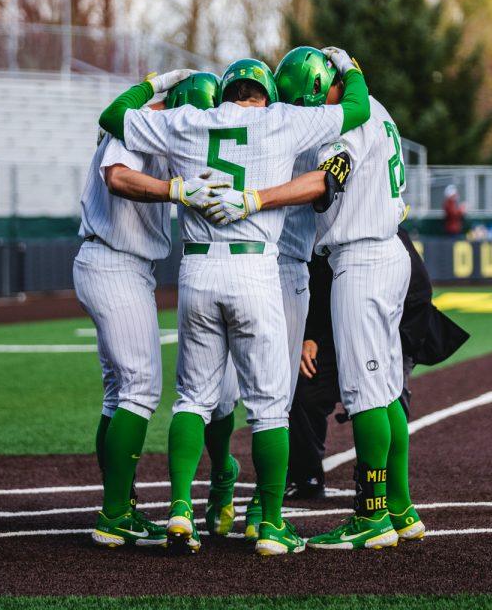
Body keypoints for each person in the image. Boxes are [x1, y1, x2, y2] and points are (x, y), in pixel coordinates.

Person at [98, 53, 371, 556]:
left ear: (225, 90)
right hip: (256, 269)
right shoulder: (283, 119)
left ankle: (181, 508)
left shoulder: (188, 119)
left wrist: (152, 84)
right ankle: (270, 523)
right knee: (269, 409)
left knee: (192, 400)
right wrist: (348, 67)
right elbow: (356, 110)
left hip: (198, 269)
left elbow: (112, 116)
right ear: (267, 91)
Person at [209, 45, 417, 551]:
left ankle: (371, 516)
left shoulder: (340, 126)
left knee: (366, 393)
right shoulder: (376, 108)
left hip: (360, 258)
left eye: (309, 103)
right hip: (388, 253)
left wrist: (258, 198)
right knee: (386, 390)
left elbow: (328, 180)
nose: (307, 115)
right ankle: (401, 507)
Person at [76, 71, 225, 550]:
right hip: (114, 260)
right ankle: (115, 513)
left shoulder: (146, 123)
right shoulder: (139, 124)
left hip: (118, 261)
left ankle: (120, 504)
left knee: (119, 391)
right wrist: (176, 191)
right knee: (140, 388)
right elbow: (117, 177)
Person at [286, 228, 469, 500]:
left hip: (389, 329)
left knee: (387, 396)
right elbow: (317, 285)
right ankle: (307, 477)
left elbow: (418, 296)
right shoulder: (323, 231)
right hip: (331, 329)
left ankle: (383, 492)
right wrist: (310, 334)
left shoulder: (377, 233)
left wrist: (397, 346)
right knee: (304, 391)